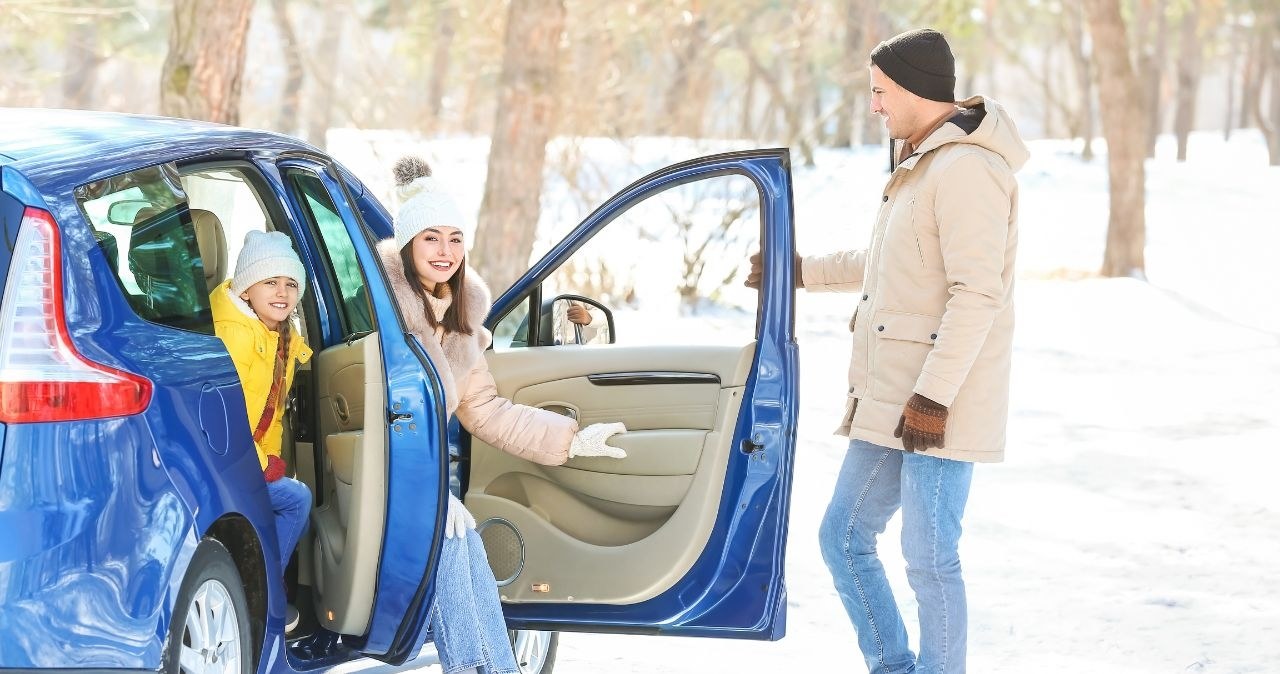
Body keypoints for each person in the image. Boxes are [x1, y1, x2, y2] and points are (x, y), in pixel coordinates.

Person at [749, 28, 1028, 674]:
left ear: (913, 88)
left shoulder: (968, 170)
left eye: (880, 91)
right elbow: (882, 266)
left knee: (930, 558)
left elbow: (977, 295)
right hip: (893, 397)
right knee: (843, 537)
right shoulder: (921, 163)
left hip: (940, 404)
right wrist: (796, 270)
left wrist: (933, 397)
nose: (874, 105)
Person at [380, 156, 628, 674]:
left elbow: (487, 411)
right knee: (447, 547)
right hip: (382, 481)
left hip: (421, 487)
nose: (445, 251)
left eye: (454, 238)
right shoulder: (380, 314)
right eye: (430, 238)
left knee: (467, 545)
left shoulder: (463, 326)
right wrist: (426, 491)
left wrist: (572, 439)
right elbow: (374, 414)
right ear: (406, 245)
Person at [211, 230, 315, 634]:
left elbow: (267, 414)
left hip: (243, 457)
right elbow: (226, 416)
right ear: (246, 287)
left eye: (291, 284)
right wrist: (263, 466)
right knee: (295, 499)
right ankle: (263, 594)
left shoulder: (278, 335)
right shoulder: (236, 335)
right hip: (224, 459)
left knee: (289, 498)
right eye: (270, 281)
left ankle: (258, 587)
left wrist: (269, 460)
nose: (282, 292)